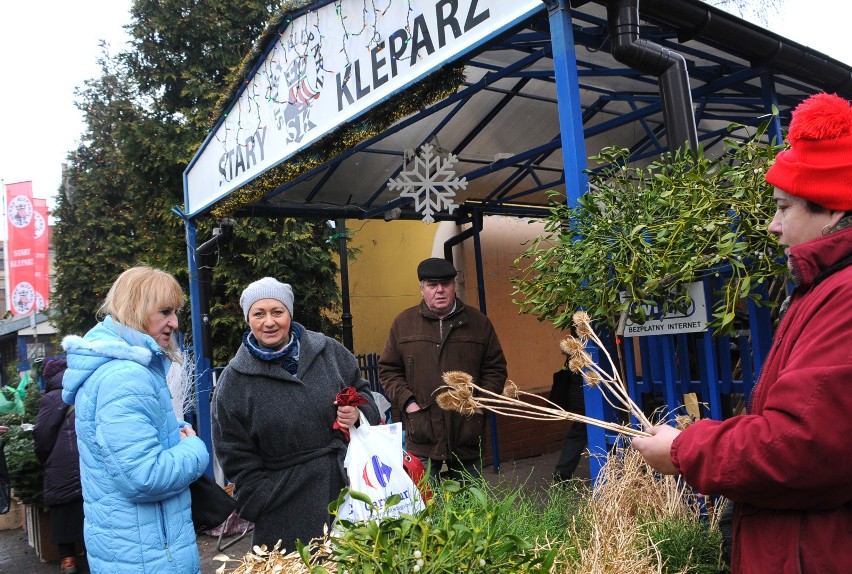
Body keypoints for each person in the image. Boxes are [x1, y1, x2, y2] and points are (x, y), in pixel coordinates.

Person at [631, 92, 852, 574]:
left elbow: (799, 446)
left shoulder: (846, 297)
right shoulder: (820, 288)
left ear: (832, 211)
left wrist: (682, 448)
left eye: (783, 207)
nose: (773, 226)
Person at [212, 277, 380, 552]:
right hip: (284, 510)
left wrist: (358, 414)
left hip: (350, 492)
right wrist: (263, 499)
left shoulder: (328, 352)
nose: (269, 322)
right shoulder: (234, 381)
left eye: (277, 312)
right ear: (248, 319)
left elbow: (364, 394)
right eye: (259, 313)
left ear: (290, 313)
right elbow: (234, 454)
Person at [61, 266, 209, 574]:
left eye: (176, 311)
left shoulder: (120, 370)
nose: (174, 322)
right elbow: (144, 476)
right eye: (165, 311)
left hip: (133, 550)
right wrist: (194, 448)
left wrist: (173, 433)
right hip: (149, 556)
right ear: (136, 309)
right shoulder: (126, 377)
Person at [379, 257, 508, 481]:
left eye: (445, 284)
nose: (439, 290)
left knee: (471, 508)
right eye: (432, 285)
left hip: (466, 432)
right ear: (422, 289)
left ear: (454, 286)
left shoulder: (478, 323)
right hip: (422, 433)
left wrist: (479, 405)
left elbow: (495, 369)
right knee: (424, 507)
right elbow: (389, 370)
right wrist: (408, 403)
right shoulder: (404, 323)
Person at [33, 357, 84, 574]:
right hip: (86, 460)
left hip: (60, 463)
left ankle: (68, 560)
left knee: (62, 506)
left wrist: (44, 459)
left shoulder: (50, 399)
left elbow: (42, 436)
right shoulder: (85, 391)